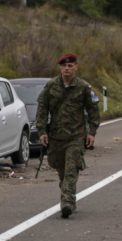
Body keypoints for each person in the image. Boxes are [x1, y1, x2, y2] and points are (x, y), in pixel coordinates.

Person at [35, 53, 101, 218]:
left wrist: (92, 132)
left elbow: (93, 110)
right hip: (56, 138)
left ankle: (67, 203)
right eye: (64, 66)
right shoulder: (51, 86)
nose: (67, 68)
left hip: (75, 137)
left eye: (70, 66)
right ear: (60, 68)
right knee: (61, 170)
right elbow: (42, 108)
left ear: (76, 67)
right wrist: (42, 131)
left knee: (71, 169)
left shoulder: (83, 87)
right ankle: (67, 194)